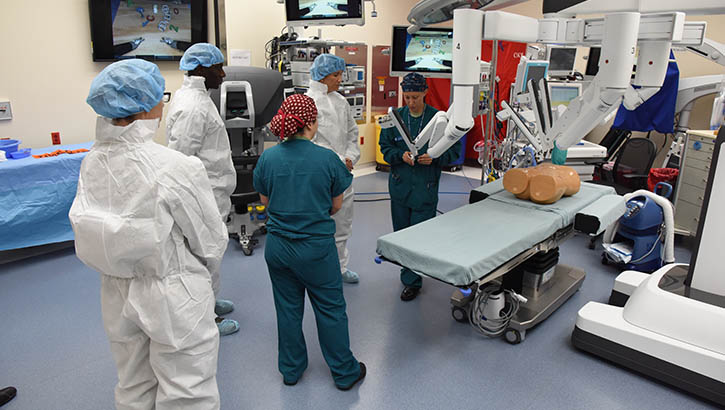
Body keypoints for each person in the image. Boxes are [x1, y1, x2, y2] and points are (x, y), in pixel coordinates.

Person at [71, 59, 225, 409]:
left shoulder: (92, 160)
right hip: (173, 292)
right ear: (145, 108)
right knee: (187, 390)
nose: (163, 104)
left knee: (133, 384)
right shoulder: (175, 166)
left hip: (115, 290)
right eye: (161, 97)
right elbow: (211, 241)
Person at [253, 94, 366, 390]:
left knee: (288, 309)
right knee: (330, 309)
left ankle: (291, 370)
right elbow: (336, 205)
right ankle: (344, 372)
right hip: (315, 249)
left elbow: (265, 201)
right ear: (311, 123)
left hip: (278, 249)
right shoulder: (327, 158)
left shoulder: (268, 157)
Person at [166, 43, 239, 336]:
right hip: (203, 191)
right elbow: (181, 156)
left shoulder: (198, 96)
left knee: (212, 250)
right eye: (217, 68)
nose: (222, 74)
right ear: (199, 69)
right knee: (205, 253)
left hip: (212, 189)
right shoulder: (193, 106)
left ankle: (209, 300)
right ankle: (205, 316)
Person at [379, 73, 461, 301]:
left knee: (420, 238)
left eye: (415, 97)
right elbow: (385, 148)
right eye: (407, 97)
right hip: (400, 188)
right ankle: (409, 278)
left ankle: (414, 280)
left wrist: (434, 158)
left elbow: (453, 152)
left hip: (425, 188)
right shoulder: (395, 118)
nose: (411, 102)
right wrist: (400, 155)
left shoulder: (439, 119)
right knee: (403, 237)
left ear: (426, 92)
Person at [306, 54, 361, 284]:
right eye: (336, 75)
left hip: (343, 174)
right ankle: (318, 272)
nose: (340, 79)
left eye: (340, 74)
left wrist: (350, 157)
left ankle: (340, 268)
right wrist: (338, 159)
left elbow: (352, 133)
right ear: (322, 76)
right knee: (318, 227)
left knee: (343, 226)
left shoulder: (340, 101)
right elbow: (310, 142)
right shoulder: (308, 103)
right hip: (319, 177)